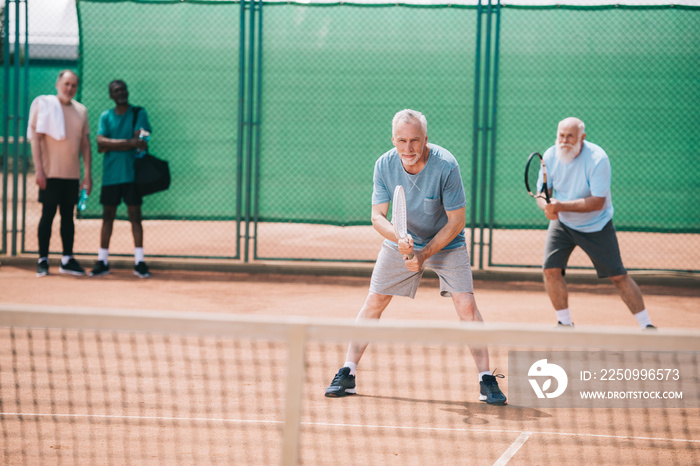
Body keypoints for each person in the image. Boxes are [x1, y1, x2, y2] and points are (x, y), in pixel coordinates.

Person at [325, 109, 507, 405]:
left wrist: (422, 255)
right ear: (393, 140)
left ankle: (486, 378)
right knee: (374, 301)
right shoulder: (384, 165)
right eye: (401, 141)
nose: (408, 148)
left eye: (414, 140)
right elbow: (377, 216)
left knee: (466, 304)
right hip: (403, 240)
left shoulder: (446, 165)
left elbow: (456, 222)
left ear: (426, 139)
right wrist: (399, 238)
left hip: (446, 243)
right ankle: (348, 372)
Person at [535, 117, 655, 329]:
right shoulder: (550, 155)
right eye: (561, 135)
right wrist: (546, 207)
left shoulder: (598, 158)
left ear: (582, 137)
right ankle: (564, 324)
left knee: (618, 276)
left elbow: (597, 202)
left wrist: (560, 206)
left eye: (570, 136)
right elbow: (542, 194)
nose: (564, 140)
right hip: (563, 225)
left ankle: (647, 326)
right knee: (550, 270)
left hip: (596, 225)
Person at [28, 70, 92, 277]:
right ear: (58, 84)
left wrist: (87, 174)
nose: (69, 88)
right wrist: (39, 170)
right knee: (47, 216)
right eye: (66, 84)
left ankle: (67, 259)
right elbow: (35, 139)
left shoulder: (81, 111)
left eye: (73, 85)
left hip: (71, 175)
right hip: (50, 174)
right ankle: (43, 260)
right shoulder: (44, 106)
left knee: (68, 218)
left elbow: (85, 144)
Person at [89, 80, 152, 278]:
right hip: (111, 175)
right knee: (108, 216)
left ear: (127, 91)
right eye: (116, 91)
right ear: (110, 95)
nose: (121, 93)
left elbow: (142, 141)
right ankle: (102, 260)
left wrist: (113, 143)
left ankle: (139, 262)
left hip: (132, 176)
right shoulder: (105, 116)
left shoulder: (139, 113)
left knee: (135, 216)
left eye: (123, 89)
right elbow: (99, 142)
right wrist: (129, 142)